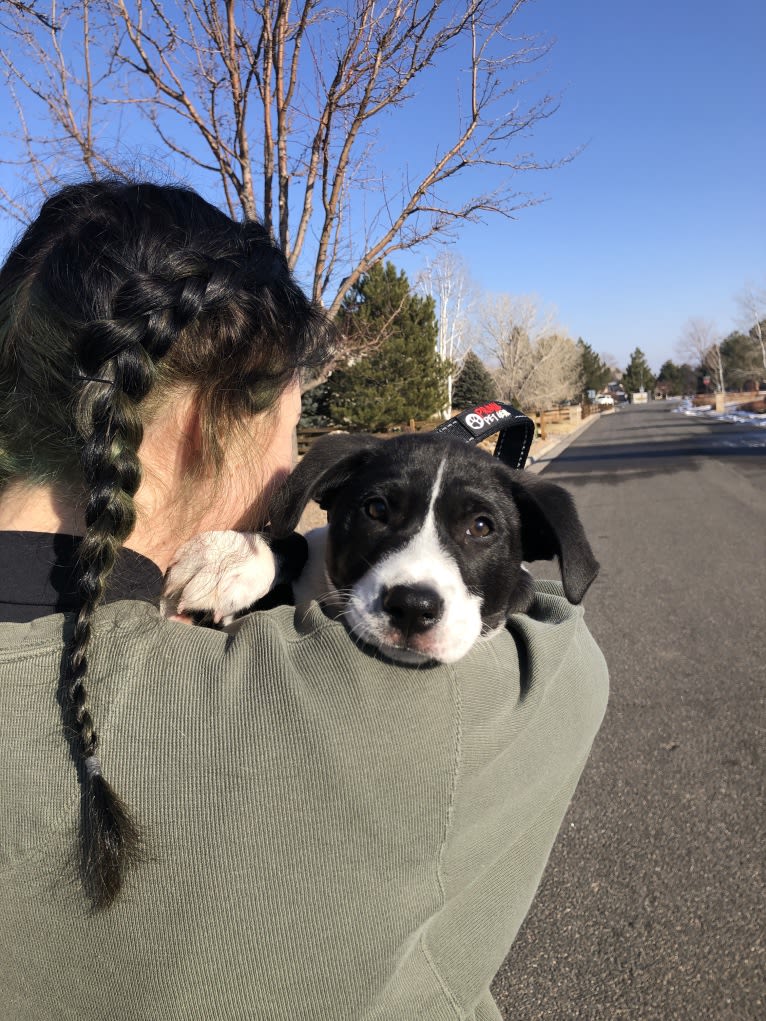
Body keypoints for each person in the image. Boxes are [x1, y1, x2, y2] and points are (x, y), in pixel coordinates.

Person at [0, 181, 608, 1021]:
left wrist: (282, 555)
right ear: (197, 425)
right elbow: (567, 644)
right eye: (293, 428)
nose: (294, 468)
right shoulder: (410, 717)